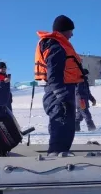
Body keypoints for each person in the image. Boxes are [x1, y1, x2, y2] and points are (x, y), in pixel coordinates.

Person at [34, 15, 85, 156]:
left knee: (65, 125)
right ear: (63, 31)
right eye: (70, 31)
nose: (72, 34)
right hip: (58, 92)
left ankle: (60, 152)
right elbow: (54, 73)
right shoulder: (56, 46)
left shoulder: (55, 44)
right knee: (61, 124)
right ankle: (56, 155)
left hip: (59, 90)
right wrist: (60, 94)